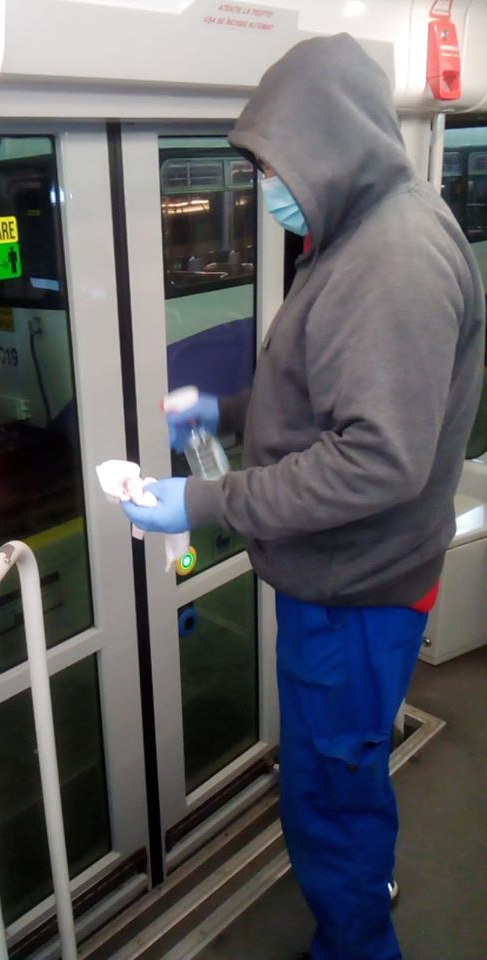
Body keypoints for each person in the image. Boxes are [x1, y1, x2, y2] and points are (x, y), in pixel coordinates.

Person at [121, 32, 485, 960]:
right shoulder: (364, 231)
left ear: (334, 140)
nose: (268, 188)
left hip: (354, 595)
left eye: (278, 164)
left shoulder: (393, 259)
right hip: (353, 579)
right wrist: (226, 412)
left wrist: (204, 503)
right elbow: (332, 395)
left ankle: (355, 943)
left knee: (327, 786)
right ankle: (365, 883)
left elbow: (377, 461)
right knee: (348, 767)